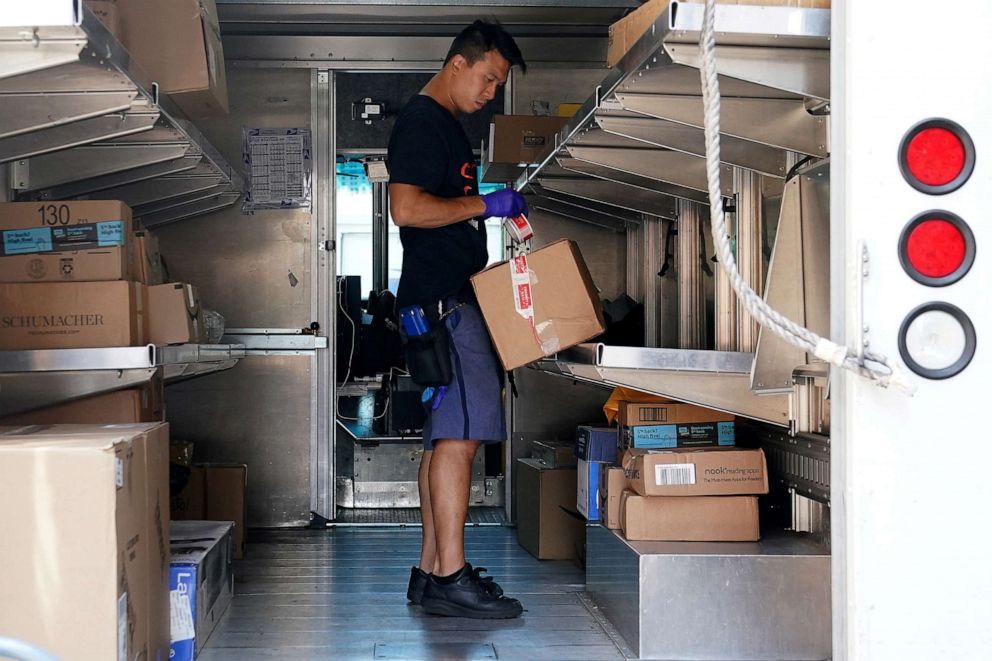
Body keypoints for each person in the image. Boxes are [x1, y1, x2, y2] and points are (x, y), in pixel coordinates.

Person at [387, 20, 528, 620]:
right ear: (457, 64)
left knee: (444, 439)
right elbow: (407, 208)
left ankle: (428, 569)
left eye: (498, 83)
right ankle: (451, 574)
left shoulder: (446, 127)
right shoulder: (425, 122)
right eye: (489, 78)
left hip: (439, 302)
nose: (491, 92)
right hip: (447, 306)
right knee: (461, 441)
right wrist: (486, 204)